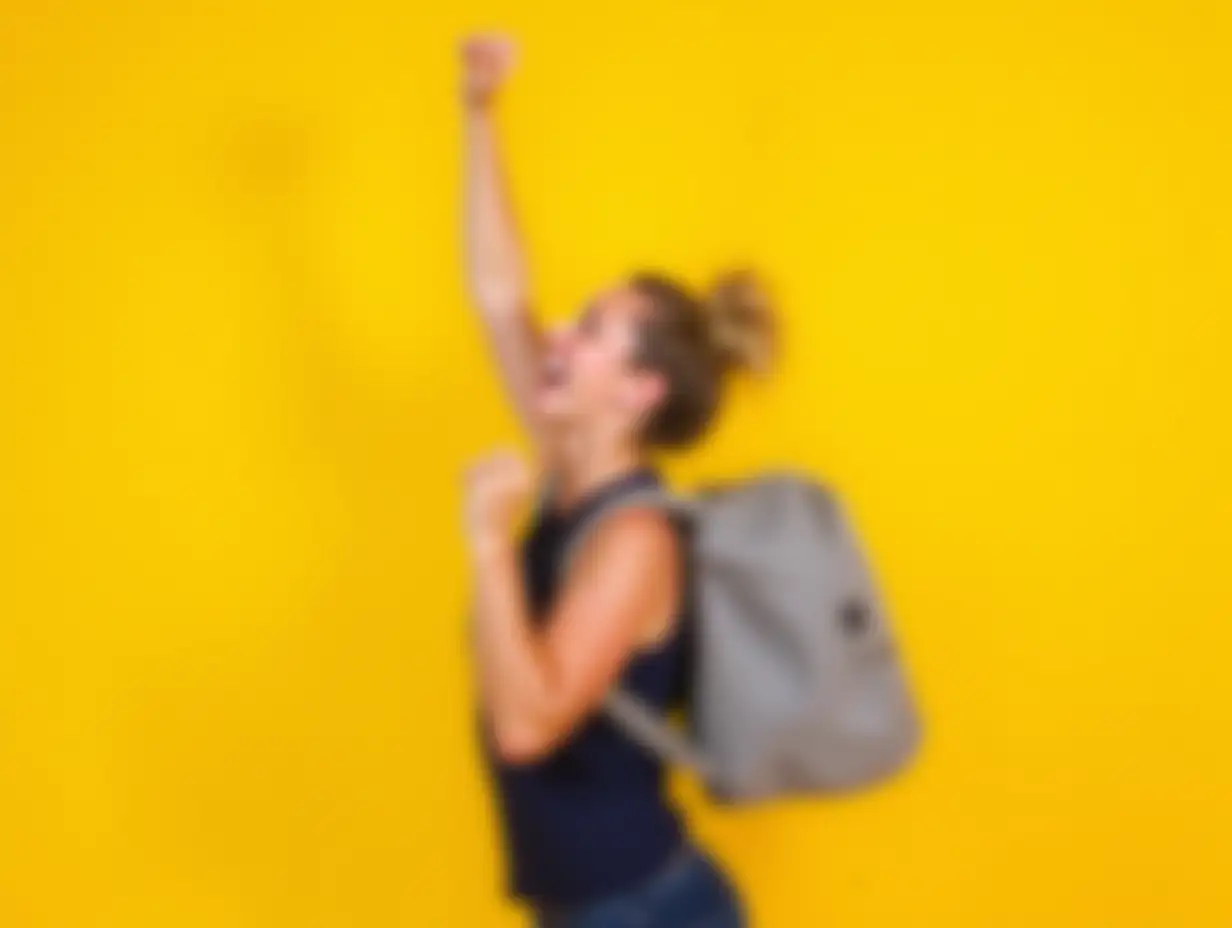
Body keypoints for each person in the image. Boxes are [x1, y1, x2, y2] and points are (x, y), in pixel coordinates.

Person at [459, 34, 773, 928]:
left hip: (640, 910)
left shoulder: (634, 543)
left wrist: (488, 545)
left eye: (591, 331)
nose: (559, 332)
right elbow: (495, 292)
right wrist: (479, 114)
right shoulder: (568, 466)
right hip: (592, 906)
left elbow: (528, 725)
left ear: (638, 392)